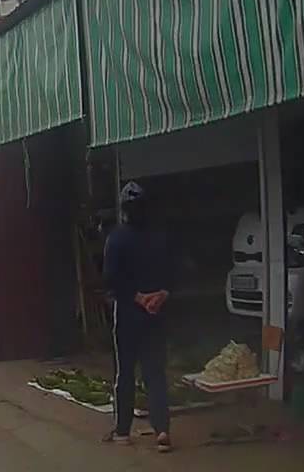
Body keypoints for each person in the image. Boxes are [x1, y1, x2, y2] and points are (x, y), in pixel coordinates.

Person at [102, 181, 173, 453]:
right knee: (155, 373)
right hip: (156, 314)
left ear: (124, 210)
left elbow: (111, 280)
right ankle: (162, 431)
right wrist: (161, 295)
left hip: (129, 315)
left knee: (125, 373)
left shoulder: (116, 239)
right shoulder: (160, 237)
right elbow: (173, 272)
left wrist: (138, 298)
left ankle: (122, 431)